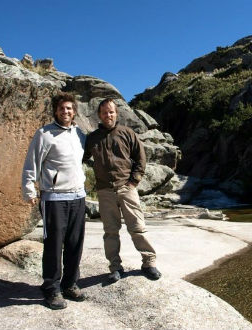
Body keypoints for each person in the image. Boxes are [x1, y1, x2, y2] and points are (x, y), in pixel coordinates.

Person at [83, 98, 161, 282]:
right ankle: (115, 267)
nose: (108, 115)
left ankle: (149, 262)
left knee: (138, 228)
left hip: (127, 188)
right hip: (104, 191)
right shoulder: (92, 138)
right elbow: (80, 158)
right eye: (104, 112)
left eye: (111, 112)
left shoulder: (127, 133)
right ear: (99, 116)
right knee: (110, 232)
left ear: (116, 114)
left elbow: (141, 160)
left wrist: (133, 182)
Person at [21, 92, 87, 310]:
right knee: (53, 245)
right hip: (54, 197)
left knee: (75, 244)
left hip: (78, 196)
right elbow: (32, 162)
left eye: (69, 108)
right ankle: (51, 288)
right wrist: (29, 189)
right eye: (61, 108)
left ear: (74, 111)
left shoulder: (79, 134)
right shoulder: (44, 134)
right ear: (55, 111)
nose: (65, 111)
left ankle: (69, 283)